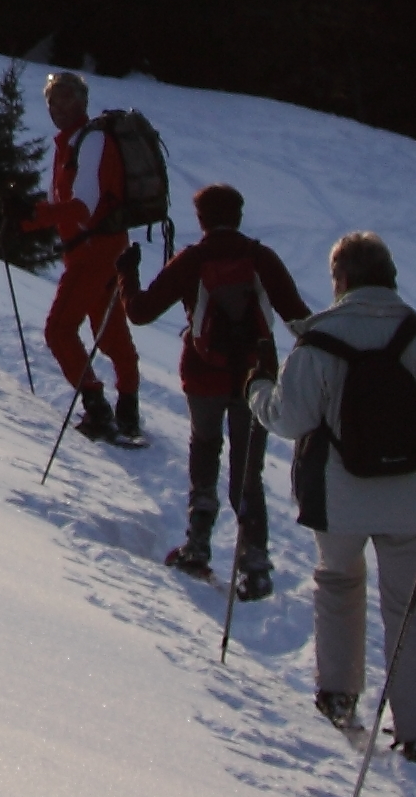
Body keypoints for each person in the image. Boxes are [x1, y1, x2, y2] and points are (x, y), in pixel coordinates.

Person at [267, 229, 416, 757]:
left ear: (340, 278)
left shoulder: (320, 337)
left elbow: (290, 418)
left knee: (339, 582)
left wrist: (255, 395)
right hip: (413, 500)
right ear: (391, 277)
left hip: (338, 498)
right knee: (409, 609)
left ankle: (339, 694)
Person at [126, 183, 308, 596]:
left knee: (204, 449)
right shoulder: (261, 259)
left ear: (202, 219)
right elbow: (298, 318)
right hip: (254, 378)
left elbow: (140, 312)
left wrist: (127, 274)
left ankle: (197, 546)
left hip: (203, 374)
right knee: (249, 473)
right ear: (239, 215)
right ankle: (255, 565)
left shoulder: (193, 260)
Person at [26, 71, 146, 444]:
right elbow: (66, 205)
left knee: (60, 330)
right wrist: (30, 216)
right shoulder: (72, 144)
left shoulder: (89, 142)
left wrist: (35, 216)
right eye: (51, 100)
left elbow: (82, 207)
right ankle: (127, 409)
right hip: (103, 250)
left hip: (93, 254)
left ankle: (98, 408)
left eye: (64, 98)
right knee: (109, 333)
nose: (56, 107)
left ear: (82, 100)